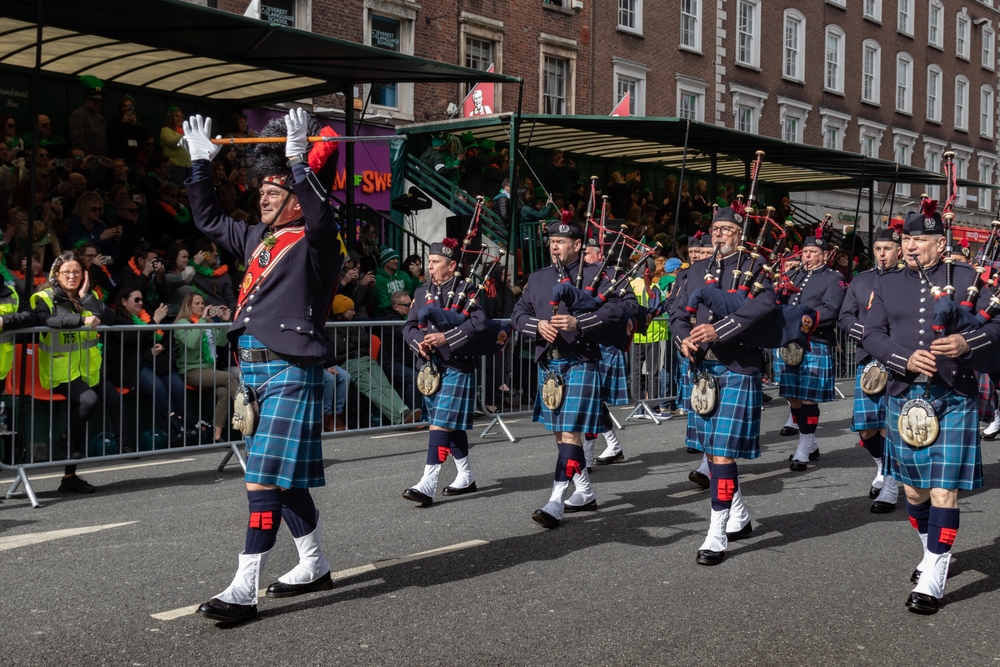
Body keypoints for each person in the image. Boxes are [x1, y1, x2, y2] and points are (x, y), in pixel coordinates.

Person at [182, 109, 345, 623]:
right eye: (261, 193)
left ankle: (242, 587)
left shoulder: (319, 243)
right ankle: (314, 563)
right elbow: (208, 219)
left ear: (297, 196)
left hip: (291, 371)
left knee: (261, 479)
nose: (264, 198)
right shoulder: (257, 238)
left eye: (275, 192)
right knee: (285, 479)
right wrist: (200, 166)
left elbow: (321, 215)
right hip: (253, 374)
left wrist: (299, 162)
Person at [863, 206, 1000, 614]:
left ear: (941, 243)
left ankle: (935, 571)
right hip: (904, 393)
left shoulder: (968, 280)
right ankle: (930, 550)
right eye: (906, 239)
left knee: (944, 490)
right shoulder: (886, 285)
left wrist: (966, 344)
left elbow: (996, 327)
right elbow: (872, 334)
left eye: (919, 240)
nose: (909, 246)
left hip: (953, 394)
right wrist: (901, 358)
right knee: (913, 491)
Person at [669, 207, 775, 565]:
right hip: (703, 370)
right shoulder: (694, 271)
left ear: (739, 234)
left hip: (738, 366)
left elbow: (762, 308)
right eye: (715, 229)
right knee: (714, 450)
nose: (719, 235)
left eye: (727, 229)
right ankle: (739, 516)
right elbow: (677, 313)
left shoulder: (756, 266)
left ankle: (716, 532)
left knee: (722, 452)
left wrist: (719, 330)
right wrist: (683, 338)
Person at [511, 214, 626, 528]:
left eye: (561, 242)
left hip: (580, 360)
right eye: (552, 242)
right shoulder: (538, 277)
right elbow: (518, 314)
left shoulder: (597, 274)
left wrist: (580, 322)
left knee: (570, 432)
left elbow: (617, 308)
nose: (555, 247)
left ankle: (555, 499)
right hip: (550, 364)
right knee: (561, 435)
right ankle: (585, 492)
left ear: (577, 244)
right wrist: (538, 326)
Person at [31, 251, 132, 493]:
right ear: (57, 274)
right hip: (61, 371)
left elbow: (111, 319)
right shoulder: (43, 297)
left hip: (88, 370)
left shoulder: (88, 297)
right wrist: (81, 321)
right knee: (88, 401)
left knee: (110, 399)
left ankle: (70, 477)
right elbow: (46, 321)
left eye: (77, 271)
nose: (72, 276)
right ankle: (64, 442)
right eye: (67, 272)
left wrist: (87, 298)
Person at [401, 238, 487, 505]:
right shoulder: (420, 292)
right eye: (429, 261)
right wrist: (420, 345)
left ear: (451, 266)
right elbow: (410, 326)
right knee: (451, 425)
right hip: (430, 367)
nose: (430, 266)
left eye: (436, 262)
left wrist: (446, 338)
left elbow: (479, 323)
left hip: (456, 363)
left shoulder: (468, 290)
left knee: (439, 423)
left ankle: (428, 482)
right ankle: (466, 475)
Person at [839, 224, 903, 513]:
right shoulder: (861, 281)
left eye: (887, 248)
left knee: (889, 427)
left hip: (899, 361)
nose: (881, 254)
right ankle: (882, 467)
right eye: (877, 249)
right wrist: (869, 336)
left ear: (899, 250)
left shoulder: (908, 279)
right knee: (866, 429)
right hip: (869, 361)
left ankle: (890, 482)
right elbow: (845, 318)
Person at [774, 234, 846, 472]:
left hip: (814, 341)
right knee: (792, 397)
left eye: (814, 252)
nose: (808, 256)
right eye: (805, 252)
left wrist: (803, 320)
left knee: (807, 398)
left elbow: (831, 310)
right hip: (788, 342)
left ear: (825, 255)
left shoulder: (833, 279)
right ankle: (811, 441)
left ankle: (803, 448)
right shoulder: (795, 275)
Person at [106, 286, 193, 445]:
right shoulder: (119, 321)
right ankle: (178, 428)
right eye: (136, 300)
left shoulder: (145, 317)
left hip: (156, 362)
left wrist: (163, 347)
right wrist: (155, 320)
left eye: (141, 299)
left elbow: (166, 335)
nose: (140, 303)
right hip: (133, 367)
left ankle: (179, 430)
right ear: (124, 302)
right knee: (157, 386)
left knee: (178, 386)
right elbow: (134, 339)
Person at [328, 295, 419, 426]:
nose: (354, 312)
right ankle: (399, 417)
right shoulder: (331, 327)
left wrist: (348, 339)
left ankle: (404, 411)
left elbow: (367, 339)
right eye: (351, 309)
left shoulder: (353, 323)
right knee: (374, 390)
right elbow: (340, 346)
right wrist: (355, 340)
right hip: (351, 362)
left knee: (386, 386)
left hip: (367, 359)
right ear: (341, 312)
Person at [582, 236, 633, 467]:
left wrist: (604, 311)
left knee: (592, 401)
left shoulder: (614, 275)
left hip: (606, 343)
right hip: (583, 342)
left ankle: (588, 455)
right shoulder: (577, 275)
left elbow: (630, 305)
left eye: (587, 253)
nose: (583, 258)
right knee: (590, 402)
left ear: (599, 254)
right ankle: (612, 445)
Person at [172, 292, 236, 442]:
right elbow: (192, 343)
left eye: (202, 303)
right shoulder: (182, 323)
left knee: (224, 392)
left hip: (208, 370)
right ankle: (246, 411)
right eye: (197, 303)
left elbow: (220, 342)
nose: (201, 306)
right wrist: (201, 321)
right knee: (228, 377)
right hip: (191, 371)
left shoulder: (205, 323)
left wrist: (224, 322)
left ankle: (217, 434)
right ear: (188, 306)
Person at [118, 243, 172, 313]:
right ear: (140, 260)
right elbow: (130, 294)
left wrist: (159, 278)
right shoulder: (126, 271)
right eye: (151, 260)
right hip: (137, 313)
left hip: (155, 312)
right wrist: (145, 274)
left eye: (156, 260)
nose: (154, 263)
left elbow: (166, 297)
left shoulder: (156, 271)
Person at [66, 191, 120, 258]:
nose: (97, 212)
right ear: (84, 208)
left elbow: (111, 252)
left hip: (102, 262)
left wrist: (116, 239)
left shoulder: (101, 225)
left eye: (99, 209)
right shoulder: (74, 223)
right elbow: (76, 245)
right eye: (93, 209)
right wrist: (100, 237)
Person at [67, 76, 108, 157]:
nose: (97, 103)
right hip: (86, 160)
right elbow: (78, 140)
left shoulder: (100, 118)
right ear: (86, 100)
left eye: (99, 101)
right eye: (94, 101)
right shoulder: (78, 114)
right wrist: (89, 156)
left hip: (101, 159)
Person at [374, 246, 419, 317]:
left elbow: (413, 292)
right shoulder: (379, 278)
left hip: (404, 312)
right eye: (393, 259)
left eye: (397, 259)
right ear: (385, 262)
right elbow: (384, 304)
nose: (396, 261)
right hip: (385, 316)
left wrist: (415, 277)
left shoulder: (403, 275)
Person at [106, 96, 149, 164]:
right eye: (124, 106)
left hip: (136, 159)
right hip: (120, 158)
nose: (127, 108)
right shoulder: (114, 121)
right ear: (121, 108)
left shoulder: (138, 121)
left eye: (130, 106)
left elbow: (145, 137)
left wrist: (135, 125)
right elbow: (112, 136)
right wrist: (123, 122)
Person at [160, 107, 191, 186]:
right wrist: (183, 134)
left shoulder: (184, 132)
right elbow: (172, 142)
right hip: (176, 167)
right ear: (171, 117)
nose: (180, 118)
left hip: (189, 167)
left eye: (182, 117)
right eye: (177, 116)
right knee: (180, 191)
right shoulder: (166, 130)